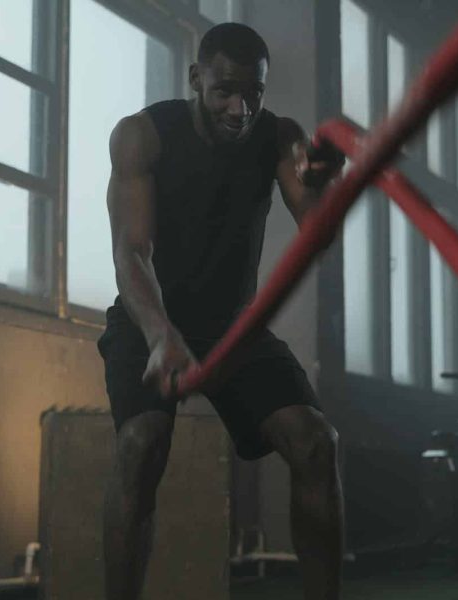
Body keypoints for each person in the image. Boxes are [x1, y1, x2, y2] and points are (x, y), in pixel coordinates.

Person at [97, 22, 345, 600]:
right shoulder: (142, 136)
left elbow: (317, 233)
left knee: (316, 442)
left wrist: (328, 187)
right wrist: (160, 334)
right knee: (140, 445)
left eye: (253, 93)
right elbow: (131, 252)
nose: (241, 109)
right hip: (149, 318)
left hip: (236, 330)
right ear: (195, 80)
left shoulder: (278, 137)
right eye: (225, 92)